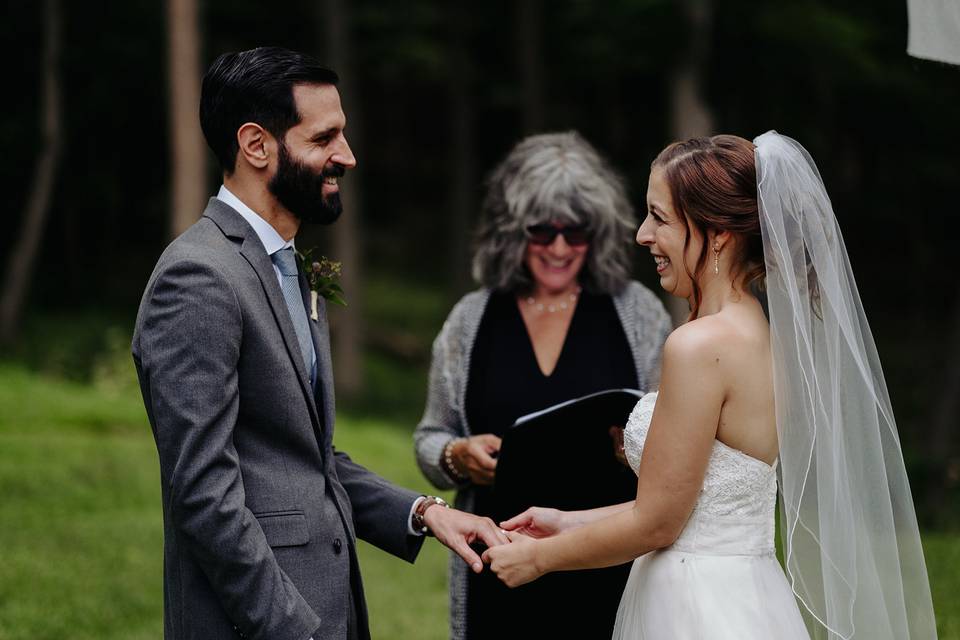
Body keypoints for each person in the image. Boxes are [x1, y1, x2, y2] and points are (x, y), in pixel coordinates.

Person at [483, 133, 938, 639]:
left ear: (717, 233)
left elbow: (659, 524)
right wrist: (568, 523)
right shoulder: (763, 335)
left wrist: (540, 559)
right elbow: (695, 502)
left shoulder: (699, 347)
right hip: (751, 591)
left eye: (659, 217)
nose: (642, 235)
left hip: (693, 604)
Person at [132, 47, 507, 640]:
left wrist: (427, 513)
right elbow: (203, 496)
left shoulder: (285, 268)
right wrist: (295, 630)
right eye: (324, 137)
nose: (347, 157)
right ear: (256, 145)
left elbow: (304, 460)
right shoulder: (198, 278)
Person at [413, 132, 672, 640]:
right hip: (500, 569)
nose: (558, 248)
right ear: (512, 232)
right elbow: (429, 436)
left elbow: (672, 446)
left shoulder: (638, 312)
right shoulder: (472, 319)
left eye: (575, 232)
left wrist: (635, 449)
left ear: (596, 233)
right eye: (541, 231)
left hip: (608, 568)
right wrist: (455, 455)